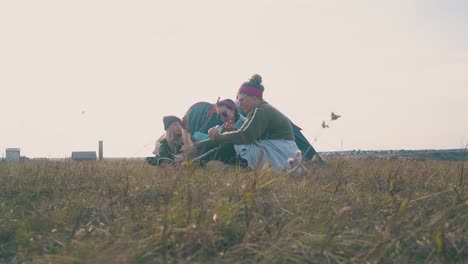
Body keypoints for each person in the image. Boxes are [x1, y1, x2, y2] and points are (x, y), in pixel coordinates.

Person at [185, 74, 301, 171]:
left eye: (242, 100)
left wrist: (217, 136)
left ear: (254, 98)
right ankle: (196, 163)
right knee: (230, 145)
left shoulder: (260, 110)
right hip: (282, 153)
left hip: (279, 154)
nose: (240, 104)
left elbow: (245, 136)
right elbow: (246, 135)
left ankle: (193, 164)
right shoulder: (261, 110)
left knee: (231, 145)